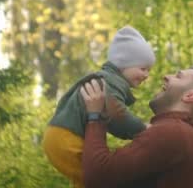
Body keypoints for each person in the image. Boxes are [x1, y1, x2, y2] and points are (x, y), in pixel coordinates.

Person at [42, 26, 156, 188]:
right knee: (98, 178)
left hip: (58, 136)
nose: (146, 75)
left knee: (85, 179)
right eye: (143, 69)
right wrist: (142, 129)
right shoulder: (110, 82)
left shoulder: (107, 80)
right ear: (123, 65)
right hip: (67, 138)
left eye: (148, 71)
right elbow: (117, 114)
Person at [80, 65, 193, 188]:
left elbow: (98, 177)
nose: (166, 76)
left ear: (191, 96)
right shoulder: (182, 134)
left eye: (178, 76)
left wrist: (95, 116)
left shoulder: (174, 132)